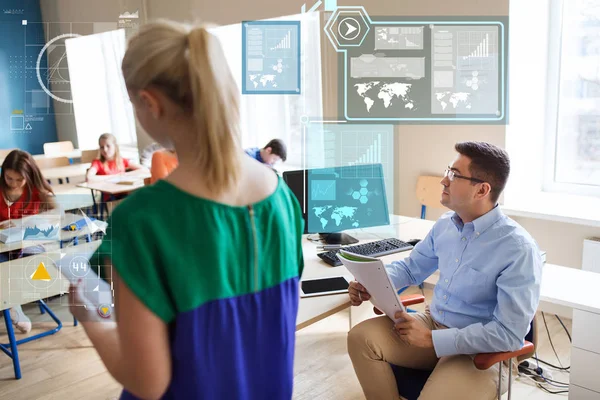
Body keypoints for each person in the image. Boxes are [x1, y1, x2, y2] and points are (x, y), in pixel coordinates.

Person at [68, 20, 304, 400]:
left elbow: (148, 382)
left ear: (150, 102)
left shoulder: (141, 221)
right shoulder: (284, 199)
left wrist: (91, 318)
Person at [347, 142, 543, 400]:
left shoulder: (518, 249)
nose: (443, 181)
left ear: (482, 190)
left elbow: (508, 334)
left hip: (480, 350)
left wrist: (432, 340)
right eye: (448, 171)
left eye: (454, 174)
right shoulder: (445, 226)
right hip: (433, 325)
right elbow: (410, 268)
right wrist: (370, 283)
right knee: (360, 338)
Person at [0, 150, 56, 334]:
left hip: (28, 244)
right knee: (3, 267)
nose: (14, 184)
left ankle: (12, 303)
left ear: (29, 175)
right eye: (9, 178)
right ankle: (14, 308)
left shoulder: (36, 189)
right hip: (2, 246)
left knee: (35, 263)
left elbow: (59, 213)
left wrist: (22, 222)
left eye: (19, 179)